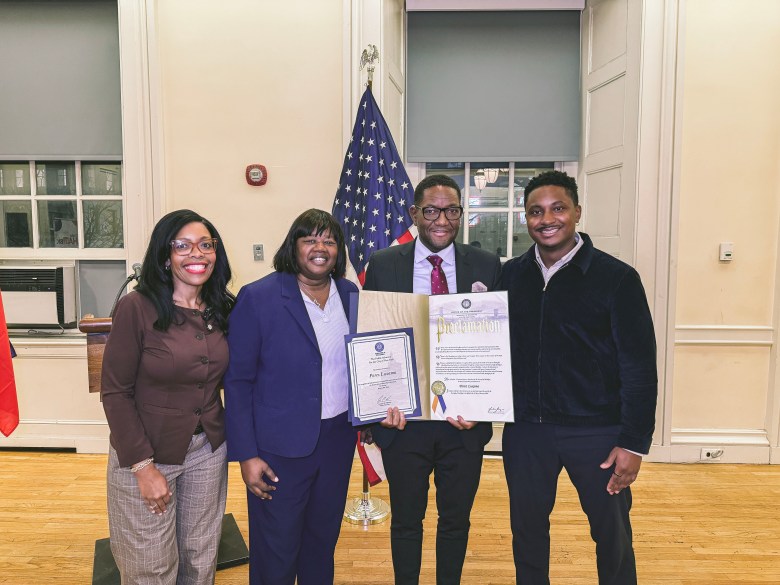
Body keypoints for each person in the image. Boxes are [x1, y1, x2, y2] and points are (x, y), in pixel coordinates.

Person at [501, 170, 657, 584]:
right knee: (527, 534)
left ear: (577, 213)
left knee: (612, 535)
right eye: (536, 211)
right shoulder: (510, 277)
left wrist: (634, 442)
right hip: (526, 431)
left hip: (598, 433)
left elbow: (640, 367)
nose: (546, 218)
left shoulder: (617, 278)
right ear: (525, 218)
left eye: (558, 208)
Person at [363, 174, 502, 585]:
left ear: (461, 213)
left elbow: (497, 343)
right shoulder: (384, 264)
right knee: (406, 521)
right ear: (414, 214)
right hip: (404, 424)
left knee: (456, 522)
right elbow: (371, 337)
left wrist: (482, 406)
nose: (442, 219)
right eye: (431, 210)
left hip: (463, 424)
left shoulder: (486, 265)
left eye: (452, 210)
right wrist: (375, 408)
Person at [223, 209, 359, 585]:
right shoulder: (259, 297)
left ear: (338, 250)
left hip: (336, 441)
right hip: (278, 449)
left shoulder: (350, 294)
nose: (320, 248)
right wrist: (246, 455)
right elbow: (237, 382)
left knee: (321, 543)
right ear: (293, 246)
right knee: (276, 550)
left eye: (329, 240)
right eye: (310, 239)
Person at [101, 209, 236, 584]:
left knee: (200, 557)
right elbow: (115, 392)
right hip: (147, 453)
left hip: (207, 451)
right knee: (151, 568)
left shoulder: (223, 308)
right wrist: (143, 468)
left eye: (205, 245)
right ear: (165, 256)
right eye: (183, 246)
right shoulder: (136, 307)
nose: (197, 254)